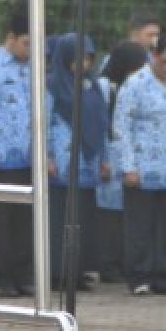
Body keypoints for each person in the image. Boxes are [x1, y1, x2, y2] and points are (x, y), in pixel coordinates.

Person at [0, 10, 50, 299]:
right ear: (11, 38)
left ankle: (24, 276)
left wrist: (45, 153)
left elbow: (43, 113)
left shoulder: (34, 69)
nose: (31, 50)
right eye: (27, 43)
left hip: (28, 157)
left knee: (25, 222)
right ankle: (1, 278)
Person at [112, 34, 166, 296]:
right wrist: (128, 166)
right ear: (155, 56)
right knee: (141, 224)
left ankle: (161, 276)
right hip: (143, 166)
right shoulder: (134, 84)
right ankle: (139, 276)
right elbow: (122, 126)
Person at [47, 33, 108, 291]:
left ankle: (78, 270)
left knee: (82, 216)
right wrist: (47, 156)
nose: (84, 64)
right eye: (79, 58)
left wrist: (104, 158)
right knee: (60, 217)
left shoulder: (92, 86)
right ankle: (57, 272)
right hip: (62, 159)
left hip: (88, 160)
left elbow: (102, 123)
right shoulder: (52, 85)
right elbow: (43, 123)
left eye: (89, 58)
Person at [95, 41, 149, 284]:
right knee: (109, 215)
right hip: (109, 153)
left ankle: (128, 263)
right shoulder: (106, 87)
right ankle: (108, 264)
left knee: (128, 212)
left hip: (129, 155)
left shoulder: (136, 86)